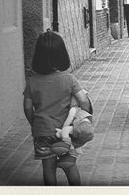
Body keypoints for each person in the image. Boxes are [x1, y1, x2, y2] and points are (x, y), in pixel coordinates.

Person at [23, 29, 92, 185]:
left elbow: (27, 108)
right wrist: (85, 116)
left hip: (43, 133)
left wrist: (35, 124)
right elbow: (83, 100)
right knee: (70, 166)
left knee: (48, 170)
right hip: (66, 133)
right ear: (62, 55)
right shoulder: (69, 79)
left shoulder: (32, 82)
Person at [51, 94, 94, 168]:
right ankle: (71, 157)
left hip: (81, 127)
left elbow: (69, 119)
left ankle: (66, 143)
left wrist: (64, 129)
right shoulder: (83, 111)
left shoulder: (73, 109)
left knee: (65, 131)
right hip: (88, 132)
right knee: (76, 142)